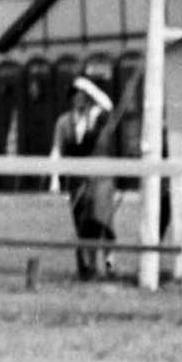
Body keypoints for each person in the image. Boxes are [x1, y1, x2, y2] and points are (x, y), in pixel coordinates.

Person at [49, 74, 120, 279]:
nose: (79, 99)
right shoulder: (64, 122)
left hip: (101, 179)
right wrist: (55, 179)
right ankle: (86, 269)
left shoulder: (97, 116)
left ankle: (110, 265)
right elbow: (56, 150)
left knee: (104, 223)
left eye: (83, 95)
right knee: (82, 224)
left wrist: (88, 85)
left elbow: (108, 105)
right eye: (76, 95)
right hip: (77, 180)